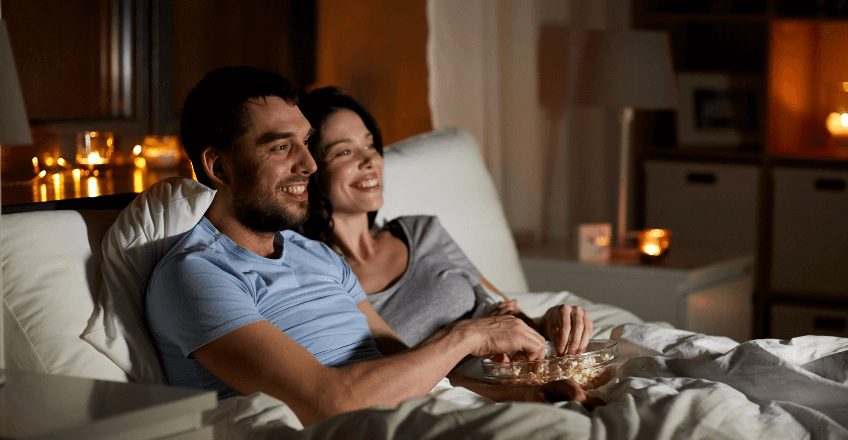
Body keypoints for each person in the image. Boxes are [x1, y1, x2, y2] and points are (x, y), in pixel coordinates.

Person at [145, 67, 599, 428]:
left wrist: (523, 395)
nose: (307, 164)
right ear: (218, 166)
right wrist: (468, 334)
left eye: (305, 144)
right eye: (282, 147)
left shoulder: (317, 256)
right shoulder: (197, 274)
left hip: (419, 412)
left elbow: (411, 367)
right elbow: (328, 402)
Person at [298, 87, 593, 357]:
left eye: (370, 145)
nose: (369, 160)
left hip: (514, 371)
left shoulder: (421, 231)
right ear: (309, 171)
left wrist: (552, 321)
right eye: (344, 151)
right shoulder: (322, 278)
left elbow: (510, 314)